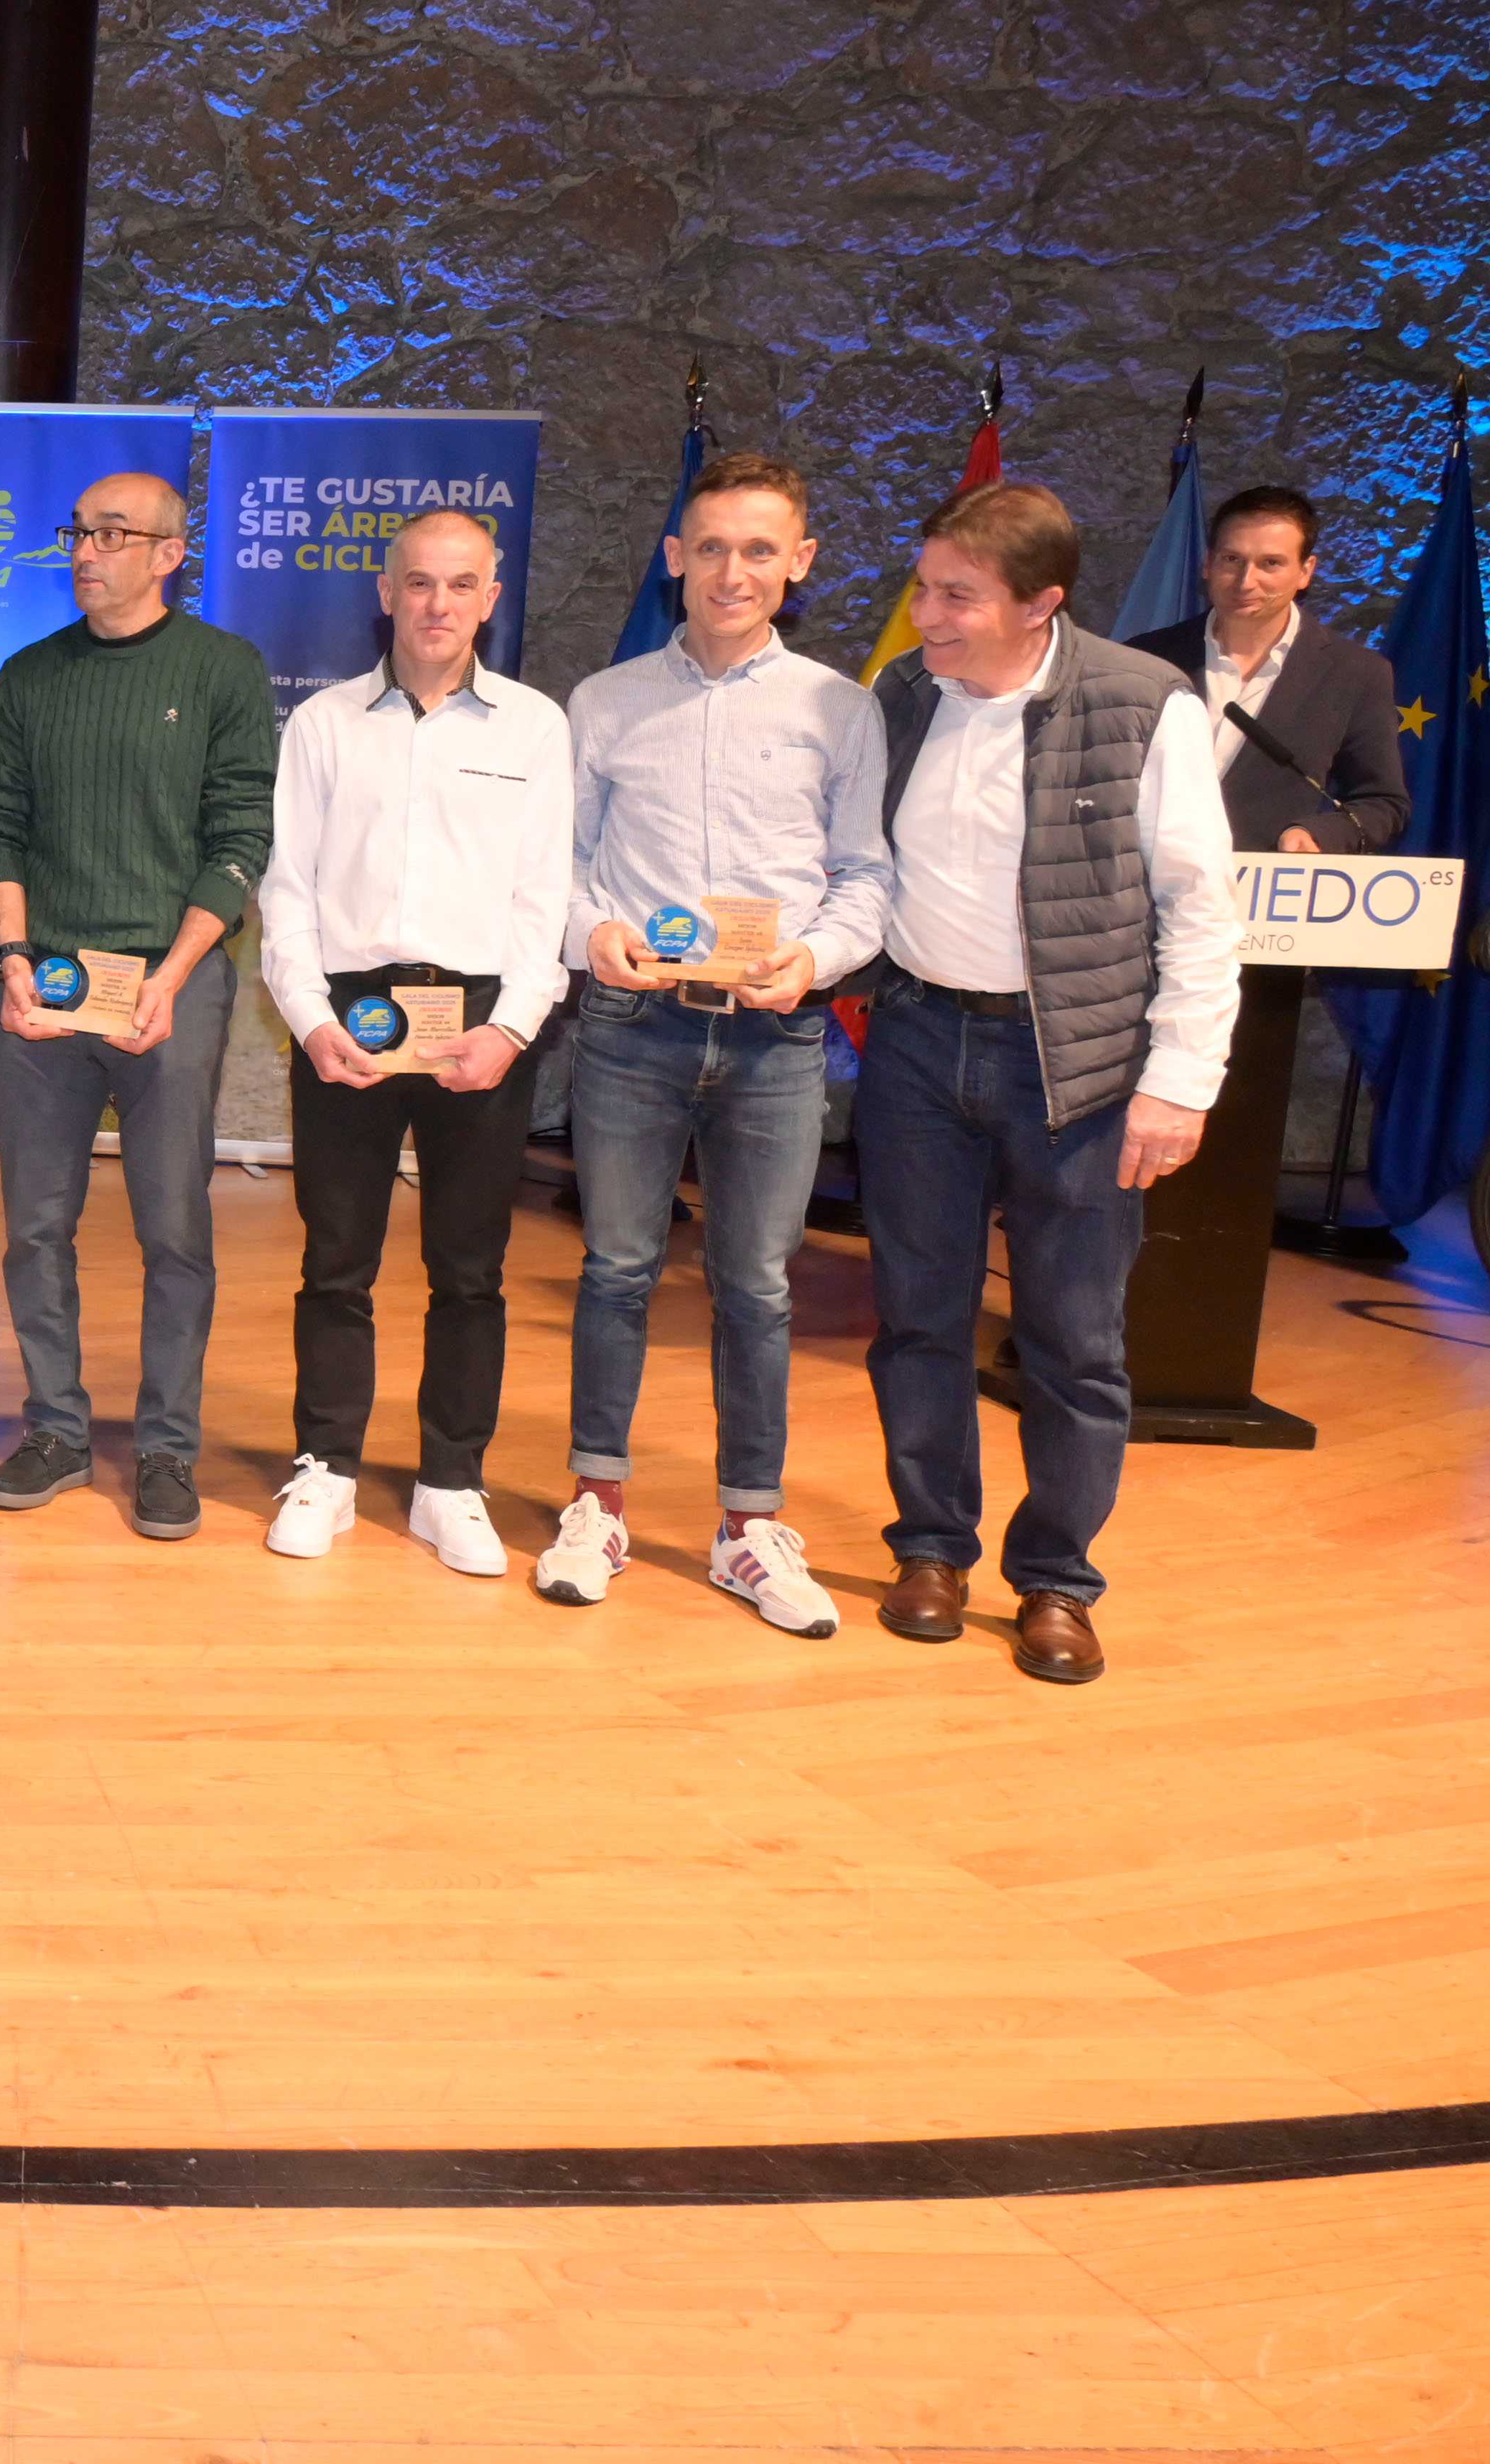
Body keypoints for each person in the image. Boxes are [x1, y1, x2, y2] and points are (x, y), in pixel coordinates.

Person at [862, 480, 1239, 1686]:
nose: (925, 614)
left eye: (954, 596)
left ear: (1041, 604)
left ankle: (1056, 1579)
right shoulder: (904, 696)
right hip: (916, 1046)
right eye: (923, 586)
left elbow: (1197, 903)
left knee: (1070, 1338)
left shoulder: (1142, 704)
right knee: (915, 1318)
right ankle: (929, 1546)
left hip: (1071, 1066)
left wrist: (1177, 1080)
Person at [545, 450, 890, 1635]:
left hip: (773, 1041)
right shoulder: (603, 702)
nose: (729, 570)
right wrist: (586, 928)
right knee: (615, 1269)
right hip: (630, 1030)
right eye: (708, 546)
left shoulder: (839, 711)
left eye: (758, 549)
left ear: (797, 564)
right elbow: (561, 867)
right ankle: (595, 1499)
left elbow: (865, 880)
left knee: (753, 1282)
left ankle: (748, 1525)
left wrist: (815, 959)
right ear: (671, 558)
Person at [253, 510, 568, 1573]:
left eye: (462, 584)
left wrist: (512, 1029)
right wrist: (310, 1019)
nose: (438, 604)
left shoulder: (534, 727)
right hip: (349, 1015)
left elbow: (545, 900)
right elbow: (286, 889)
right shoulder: (325, 725)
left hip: (479, 1022)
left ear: (492, 596)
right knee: (335, 1259)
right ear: (384, 592)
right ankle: (327, 1465)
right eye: (419, 583)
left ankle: (451, 1480)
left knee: (469, 1270)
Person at [0, 469, 275, 1534]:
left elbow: (240, 839)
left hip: (167, 990)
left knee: (175, 1230)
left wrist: (172, 977)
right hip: (43, 995)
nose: (87, 550)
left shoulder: (224, 671)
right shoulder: (31, 675)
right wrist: (10, 957)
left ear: (169, 554)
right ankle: (55, 1428)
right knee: (35, 1228)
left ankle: (166, 1450)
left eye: (113, 533)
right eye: (78, 531)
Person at [1125, 485, 1409, 857]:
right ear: (1208, 564)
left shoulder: (1355, 674)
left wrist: (1317, 834)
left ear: (1306, 572)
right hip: (1140, 892)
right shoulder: (1143, 659)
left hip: (1264, 895)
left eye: (1270, 564)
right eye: (1232, 559)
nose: (1246, 582)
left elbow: (1382, 803)